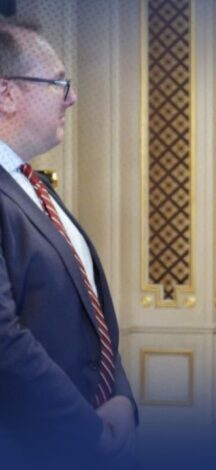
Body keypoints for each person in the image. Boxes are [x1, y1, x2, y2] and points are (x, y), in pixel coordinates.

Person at [0, 20, 136, 467]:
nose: (72, 97)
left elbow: (90, 314)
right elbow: (4, 341)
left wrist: (121, 399)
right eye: (59, 83)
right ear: (6, 94)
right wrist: (88, 431)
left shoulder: (33, 184)